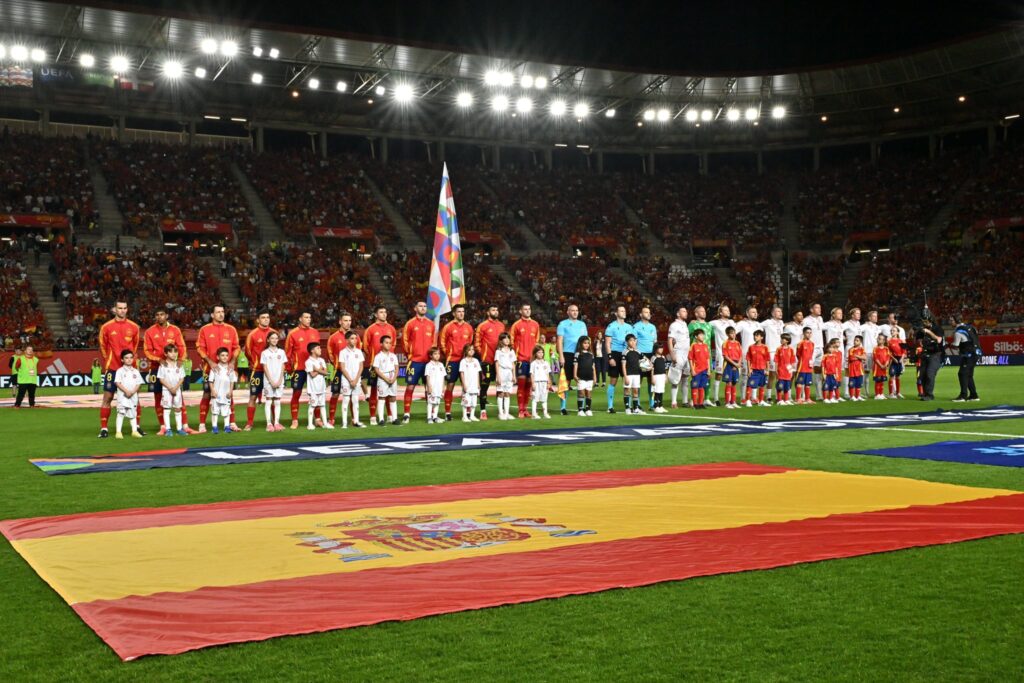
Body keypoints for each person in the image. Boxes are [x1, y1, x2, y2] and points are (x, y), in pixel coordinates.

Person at [98, 301, 141, 438]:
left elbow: (134, 347)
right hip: (113, 367)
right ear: (114, 309)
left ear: (127, 310)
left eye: (124, 308)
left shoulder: (134, 327)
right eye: (119, 308)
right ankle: (104, 428)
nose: (122, 310)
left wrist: (131, 364)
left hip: (129, 369)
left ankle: (136, 428)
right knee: (108, 397)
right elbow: (103, 346)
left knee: (135, 397)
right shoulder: (106, 327)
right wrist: (109, 360)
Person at [143, 308, 190, 435]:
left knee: (178, 396)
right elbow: (147, 350)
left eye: (162, 314)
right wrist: (158, 359)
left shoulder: (175, 330)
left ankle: (184, 426)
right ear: (155, 317)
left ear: (166, 315)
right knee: (158, 397)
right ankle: (163, 426)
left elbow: (181, 346)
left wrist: (181, 359)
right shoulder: (149, 332)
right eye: (157, 314)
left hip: (173, 366)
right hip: (156, 368)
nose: (159, 316)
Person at [196, 305, 240, 434]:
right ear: (212, 315)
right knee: (207, 394)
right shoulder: (205, 329)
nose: (221, 314)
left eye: (222, 312)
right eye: (218, 312)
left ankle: (231, 423)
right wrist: (210, 362)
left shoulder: (231, 329)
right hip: (209, 368)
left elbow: (236, 347)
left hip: (228, 369)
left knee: (229, 395)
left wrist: (232, 362)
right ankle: (202, 424)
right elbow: (199, 347)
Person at [402, 301, 436, 423]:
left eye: (425, 306)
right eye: (420, 306)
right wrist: (411, 355)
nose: (423, 308)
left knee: (429, 388)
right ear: (415, 308)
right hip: (415, 361)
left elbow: (433, 342)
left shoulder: (431, 324)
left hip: (428, 362)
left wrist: (432, 358)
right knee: (410, 386)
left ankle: (431, 414)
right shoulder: (410, 324)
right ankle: (406, 414)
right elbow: (405, 341)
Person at [284, 311, 319, 430]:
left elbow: (318, 350)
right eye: (306, 317)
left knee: (316, 393)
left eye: (310, 317)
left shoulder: (315, 332)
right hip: (299, 369)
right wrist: (289, 369)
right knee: (296, 393)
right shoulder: (292, 333)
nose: (308, 319)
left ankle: (317, 419)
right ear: (300, 319)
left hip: (314, 368)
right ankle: (294, 420)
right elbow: (288, 353)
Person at [364, 306, 398, 425]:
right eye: (381, 312)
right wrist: (374, 358)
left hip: (389, 365)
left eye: (385, 312)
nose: (384, 314)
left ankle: (390, 415)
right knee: (374, 390)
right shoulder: (370, 329)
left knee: (390, 391)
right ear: (376, 315)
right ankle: (373, 416)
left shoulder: (391, 328)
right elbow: (366, 347)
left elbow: (393, 344)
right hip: (376, 365)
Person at [440, 304, 474, 421]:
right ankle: (448, 412)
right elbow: (442, 342)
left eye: (463, 311)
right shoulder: (448, 327)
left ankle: (468, 412)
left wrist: (467, 356)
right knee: (450, 385)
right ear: (454, 313)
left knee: (467, 386)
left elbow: (470, 343)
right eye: (459, 311)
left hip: (465, 361)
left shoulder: (469, 327)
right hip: (452, 361)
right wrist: (449, 353)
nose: (461, 313)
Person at [244, 311, 277, 431]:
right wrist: (255, 363)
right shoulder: (252, 334)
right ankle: (249, 423)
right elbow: (247, 351)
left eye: (268, 317)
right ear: (258, 320)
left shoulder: (274, 333)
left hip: (272, 372)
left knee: (273, 397)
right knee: (253, 396)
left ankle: (274, 422)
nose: (266, 319)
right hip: (257, 371)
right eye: (263, 318)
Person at [327, 312, 359, 426]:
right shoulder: (333, 337)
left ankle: (354, 419)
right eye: (345, 320)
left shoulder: (356, 337)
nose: (348, 323)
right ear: (340, 322)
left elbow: (358, 353)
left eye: (350, 320)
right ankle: (331, 419)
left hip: (352, 372)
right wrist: (335, 367)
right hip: (338, 371)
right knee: (335, 394)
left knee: (352, 396)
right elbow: (330, 354)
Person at [474, 305, 505, 420]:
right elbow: (477, 343)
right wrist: (483, 355)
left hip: (500, 362)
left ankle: (501, 411)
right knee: (484, 386)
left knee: (500, 386)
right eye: (493, 310)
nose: (495, 311)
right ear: (488, 312)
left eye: (497, 309)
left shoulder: (501, 325)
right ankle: (483, 411)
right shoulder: (482, 326)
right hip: (487, 361)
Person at [556, 304, 588, 416]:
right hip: (567, 354)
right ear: (568, 312)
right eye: (572, 310)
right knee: (566, 381)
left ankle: (582, 408)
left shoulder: (582, 324)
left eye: (576, 310)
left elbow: (586, 341)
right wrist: (561, 356)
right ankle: (563, 408)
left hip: (580, 354)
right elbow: (559, 341)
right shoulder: (563, 324)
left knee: (583, 380)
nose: (575, 312)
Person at [510, 303, 541, 418]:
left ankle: (526, 409)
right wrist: (516, 356)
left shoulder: (535, 325)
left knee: (529, 385)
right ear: (520, 311)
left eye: (529, 309)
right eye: (525, 309)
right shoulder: (516, 325)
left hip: (532, 361)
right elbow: (511, 343)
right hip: (521, 360)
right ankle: (520, 409)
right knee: (521, 385)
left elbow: (537, 343)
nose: (527, 311)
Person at [604, 304, 635, 414]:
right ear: (616, 313)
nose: (624, 312)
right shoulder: (611, 326)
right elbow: (607, 343)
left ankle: (628, 406)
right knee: (613, 380)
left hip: (626, 354)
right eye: (621, 311)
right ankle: (610, 406)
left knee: (628, 380)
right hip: (615, 354)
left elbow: (634, 342)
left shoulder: (629, 327)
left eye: (624, 310)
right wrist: (610, 357)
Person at [260, 331, 288, 431]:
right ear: (268, 340)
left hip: (279, 380)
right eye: (272, 338)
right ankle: (269, 423)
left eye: (276, 338)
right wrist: (271, 381)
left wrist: (280, 380)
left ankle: (276, 422)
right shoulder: (265, 353)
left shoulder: (281, 352)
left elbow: (283, 366)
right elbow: (265, 367)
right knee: (268, 401)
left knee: (277, 401)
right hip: (268, 381)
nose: (274, 340)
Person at [157, 343, 187, 436]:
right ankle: (168, 429)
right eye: (171, 352)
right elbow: (161, 379)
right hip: (166, 390)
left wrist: (176, 387)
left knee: (178, 409)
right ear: (166, 354)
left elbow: (182, 378)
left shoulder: (179, 365)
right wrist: (170, 388)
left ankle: (179, 429)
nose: (174, 354)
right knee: (167, 409)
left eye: (175, 352)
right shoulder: (163, 365)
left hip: (177, 390)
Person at [915, 309, 945, 401]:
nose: (924, 322)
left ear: (931, 319)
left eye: (926, 321)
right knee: (922, 375)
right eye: (923, 321)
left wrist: (928, 332)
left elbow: (939, 340)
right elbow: (917, 341)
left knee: (930, 374)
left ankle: (929, 395)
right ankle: (925, 393)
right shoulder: (921, 330)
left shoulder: (937, 328)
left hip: (936, 354)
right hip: (925, 353)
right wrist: (917, 335)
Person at [950, 314, 981, 402]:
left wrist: (949, 344)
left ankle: (963, 396)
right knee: (969, 374)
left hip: (968, 354)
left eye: (951, 320)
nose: (950, 322)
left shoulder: (958, 331)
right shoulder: (971, 327)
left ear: (956, 321)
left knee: (962, 373)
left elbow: (955, 345)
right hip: (977, 353)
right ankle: (974, 395)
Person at [113, 349, 143, 439]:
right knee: (121, 413)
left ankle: (134, 431)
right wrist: (126, 391)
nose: (129, 359)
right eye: (126, 358)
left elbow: (139, 383)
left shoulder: (136, 371)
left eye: (131, 357)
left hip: (133, 396)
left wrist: (133, 392)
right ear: (122, 360)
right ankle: (118, 432)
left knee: (133, 413)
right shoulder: (120, 371)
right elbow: (117, 383)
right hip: (123, 396)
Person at [372, 335, 400, 426]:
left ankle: (394, 418)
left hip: (392, 378)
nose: (388, 345)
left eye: (390, 343)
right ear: (381, 344)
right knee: (382, 397)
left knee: (393, 397)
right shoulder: (378, 356)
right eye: (386, 342)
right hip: (383, 378)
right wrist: (385, 378)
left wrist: (394, 378)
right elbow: (376, 369)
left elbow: (397, 368)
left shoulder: (393, 356)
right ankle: (381, 419)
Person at [633, 306, 658, 408]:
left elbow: (655, 341)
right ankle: (637, 402)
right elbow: (634, 342)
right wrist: (638, 355)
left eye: (649, 312)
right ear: (641, 314)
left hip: (651, 354)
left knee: (651, 379)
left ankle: (651, 402)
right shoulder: (636, 326)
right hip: (641, 355)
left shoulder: (652, 327)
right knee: (639, 379)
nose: (648, 314)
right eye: (646, 312)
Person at [709, 305, 733, 406]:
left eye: (728, 309)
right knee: (718, 375)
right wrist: (694, 321)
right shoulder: (715, 323)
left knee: (731, 376)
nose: (728, 311)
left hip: (731, 353)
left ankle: (730, 399)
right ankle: (716, 398)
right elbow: (704, 325)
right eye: (725, 310)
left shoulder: (732, 322)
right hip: (720, 353)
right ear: (720, 313)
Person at [208, 347, 237, 433]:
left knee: (226, 411)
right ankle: (214, 427)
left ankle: (226, 427)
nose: (225, 357)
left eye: (226, 355)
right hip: (216, 393)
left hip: (226, 394)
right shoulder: (214, 368)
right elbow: (210, 381)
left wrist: (231, 391)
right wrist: (212, 391)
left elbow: (232, 381)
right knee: (215, 411)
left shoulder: (230, 369)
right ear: (218, 357)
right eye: (222, 355)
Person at [667, 306, 691, 408]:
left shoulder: (685, 324)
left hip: (686, 354)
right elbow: (669, 340)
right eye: (683, 311)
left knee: (685, 378)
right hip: (678, 353)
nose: (686, 313)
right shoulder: (674, 325)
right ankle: (673, 402)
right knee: (675, 379)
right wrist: (672, 354)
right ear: (678, 314)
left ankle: (685, 401)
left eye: (686, 311)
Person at [761, 306, 785, 401]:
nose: (780, 313)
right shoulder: (767, 322)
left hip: (781, 351)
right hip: (771, 351)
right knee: (772, 374)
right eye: (778, 311)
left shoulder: (781, 323)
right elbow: (757, 326)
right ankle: (769, 396)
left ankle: (778, 396)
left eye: (781, 311)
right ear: (772, 313)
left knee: (781, 373)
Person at [736, 306, 761, 392]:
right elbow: (732, 333)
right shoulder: (742, 324)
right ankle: (743, 397)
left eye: (756, 312)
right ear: (747, 314)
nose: (755, 313)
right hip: (746, 353)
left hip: (758, 353)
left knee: (756, 375)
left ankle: (753, 397)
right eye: (753, 312)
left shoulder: (759, 325)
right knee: (745, 375)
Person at [823, 307, 845, 401]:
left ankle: (837, 395)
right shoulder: (828, 324)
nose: (841, 314)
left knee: (838, 372)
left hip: (840, 350)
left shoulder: (842, 325)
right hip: (831, 351)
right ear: (833, 314)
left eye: (841, 313)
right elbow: (818, 327)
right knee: (829, 374)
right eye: (838, 313)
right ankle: (824, 395)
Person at [744, 329, 771, 407]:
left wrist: (767, 370)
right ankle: (748, 400)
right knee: (750, 385)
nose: (755, 337)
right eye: (754, 335)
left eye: (757, 335)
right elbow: (748, 359)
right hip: (754, 370)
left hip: (762, 370)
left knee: (762, 385)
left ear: (761, 337)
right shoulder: (751, 347)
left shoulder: (765, 347)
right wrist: (749, 369)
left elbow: (767, 359)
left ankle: (761, 401)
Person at [805, 303, 825, 400]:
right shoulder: (806, 320)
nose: (819, 309)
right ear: (811, 309)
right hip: (811, 348)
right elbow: (802, 332)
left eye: (819, 307)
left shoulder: (820, 319)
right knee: (807, 370)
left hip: (820, 347)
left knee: (818, 371)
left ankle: (819, 395)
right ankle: (803, 395)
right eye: (817, 307)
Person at [494, 332, 517, 421]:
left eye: (508, 338)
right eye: (505, 338)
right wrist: (498, 376)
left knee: (507, 393)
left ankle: (507, 413)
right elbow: (497, 363)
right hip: (501, 372)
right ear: (501, 340)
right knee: (501, 393)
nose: (507, 340)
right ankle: (501, 413)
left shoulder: (511, 351)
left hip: (509, 373)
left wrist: (514, 375)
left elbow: (513, 364)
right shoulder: (498, 351)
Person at [687, 329, 711, 410]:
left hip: (705, 370)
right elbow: (690, 358)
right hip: (697, 370)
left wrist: (709, 370)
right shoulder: (693, 345)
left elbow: (708, 358)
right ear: (696, 337)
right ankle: (695, 404)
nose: (702, 336)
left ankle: (700, 403)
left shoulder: (705, 346)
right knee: (695, 386)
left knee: (702, 387)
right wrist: (692, 370)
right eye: (700, 335)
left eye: (703, 334)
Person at [842, 308, 863, 399]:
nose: (859, 315)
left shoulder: (858, 324)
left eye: (859, 313)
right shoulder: (847, 323)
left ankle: (856, 392)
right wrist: (843, 337)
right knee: (848, 370)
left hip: (858, 349)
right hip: (850, 348)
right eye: (857, 313)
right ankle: (847, 392)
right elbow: (839, 329)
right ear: (852, 315)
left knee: (858, 370)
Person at [622, 334, 645, 415]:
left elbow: (644, 360)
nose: (633, 342)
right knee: (627, 390)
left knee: (635, 391)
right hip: (628, 374)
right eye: (631, 340)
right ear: (627, 342)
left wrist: (649, 365)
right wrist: (625, 376)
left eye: (634, 340)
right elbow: (623, 365)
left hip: (636, 374)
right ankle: (627, 408)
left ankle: (635, 408)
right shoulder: (625, 352)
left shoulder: (638, 351)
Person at [574, 335, 596, 416]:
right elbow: (575, 365)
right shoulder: (578, 354)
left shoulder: (591, 354)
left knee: (589, 394)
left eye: (588, 343)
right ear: (580, 344)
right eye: (585, 343)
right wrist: (575, 375)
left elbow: (593, 367)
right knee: (581, 393)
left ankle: (588, 409)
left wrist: (595, 377)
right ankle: (580, 410)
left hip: (589, 377)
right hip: (581, 377)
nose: (586, 345)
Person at [424, 347, 447, 424]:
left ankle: (435, 417)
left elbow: (443, 376)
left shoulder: (441, 365)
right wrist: (429, 387)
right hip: (432, 387)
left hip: (439, 388)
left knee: (437, 402)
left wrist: (443, 387)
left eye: (438, 354)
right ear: (431, 355)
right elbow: (427, 376)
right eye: (435, 354)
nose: (437, 355)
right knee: (430, 402)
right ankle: (429, 417)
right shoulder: (428, 365)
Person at [460, 343, 482, 422]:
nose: (471, 351)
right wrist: (464, 384)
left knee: (474, 401)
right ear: (466, 351)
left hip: (474, 384)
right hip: (467, 384)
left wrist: (478, 384)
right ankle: (464, 416)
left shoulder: (476, 361)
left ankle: (472, 415)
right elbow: (462, 373)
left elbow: (477, 373)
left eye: (473, 349)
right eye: (469, 350)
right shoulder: (463, 361)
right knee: (466, 401)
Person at [721, 326, 742, 409]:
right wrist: (734, 364)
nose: (733, 335)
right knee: (728, 383)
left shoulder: (738, 343)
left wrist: (739, 363)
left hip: (736, 364)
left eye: (734, 333)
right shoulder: (725, 343)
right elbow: (725, 356)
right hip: (729, 364)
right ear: (727, 334)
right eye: (731, 333)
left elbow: (740, 354)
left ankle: (733, 402)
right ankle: (727, 402)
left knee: (734, 383)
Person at [529, 345, 551, 419]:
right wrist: (533, 384)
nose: (541, 354)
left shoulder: (546, 363)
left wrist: (548, 383)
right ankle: (534, 414)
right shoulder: (533, 363)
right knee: (535, 399)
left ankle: (545, 413)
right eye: (539, 352)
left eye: (542, 352)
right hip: (536, 382)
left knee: (544, 399)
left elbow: (548, 374)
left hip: (544, 383)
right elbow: (532, 374)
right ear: (535, 353)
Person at [774, 333, 796, 405]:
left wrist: (791, 370)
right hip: (781, 370)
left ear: (787, 341)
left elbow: (792, 361)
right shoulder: (779, 349)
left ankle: (786, 399)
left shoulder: (791, 349)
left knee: (787, 386)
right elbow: (776, 360)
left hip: (788, 371)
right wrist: (776, 369)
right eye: (781, 339)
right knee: (780, 386)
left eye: (783, 339)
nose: (781, 340)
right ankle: (779, 400)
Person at [795, 327, 816, 404]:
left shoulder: (812, 343)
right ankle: (798, 398)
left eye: (810, 333)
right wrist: (802, 361)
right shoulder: (800, 343)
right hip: (802, 367)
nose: (809, 334)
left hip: (809, 367)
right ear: (803, 333)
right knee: (800, 382)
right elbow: (798, 355)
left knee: (808, 384)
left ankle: (807, 398)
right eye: (807, 332)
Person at [821, 339, 843, 403]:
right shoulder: (825, 356)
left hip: (833, 374)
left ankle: (831, 398)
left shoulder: (834, 356)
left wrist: (836, 374)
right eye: (829, 348)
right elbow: (823, 366)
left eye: (832, 348)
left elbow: (836, 366)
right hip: (827, 374)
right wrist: (823, 374)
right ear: (827, 349)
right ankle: (825, 398)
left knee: (832, 386)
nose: (831, 349)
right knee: (825, 386)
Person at [847, 335, 867, 401]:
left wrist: (857, 356)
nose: (855, 341)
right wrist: (860, 357)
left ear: (860, 342)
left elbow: (864, 357)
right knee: (852, 383)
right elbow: (851, 358)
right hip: (852, 369)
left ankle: (857, 396)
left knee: (859, 384)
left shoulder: (862, 349)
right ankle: (852, 396)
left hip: (860, 369)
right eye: (855, 340)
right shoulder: (851, 349)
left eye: (857, 340)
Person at [887, 333, 907, 398]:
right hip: (894, 359)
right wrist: (893, 358)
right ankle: (891, 393)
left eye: (894, 330)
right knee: (892, 376)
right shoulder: (889, 341)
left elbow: (904, 351)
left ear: (897, 332)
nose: (892, 332)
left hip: (900, 359)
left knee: (898, 377)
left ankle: (898, 393)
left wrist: (902, 358)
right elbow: (888, 352)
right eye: (891, 331)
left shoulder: (901, 341)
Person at [872, 334, 891, 400]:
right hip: (877, 368)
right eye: (878, 338)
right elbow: (875, 358)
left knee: (882, 381)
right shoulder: (875, 348)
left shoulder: (886, 349)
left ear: (884, 341)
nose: (879, 340)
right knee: (878, 381)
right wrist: (881, 365)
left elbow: (888, 357)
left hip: (884, 368)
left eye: (881, 339)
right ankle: (877, 395)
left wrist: (886, 364)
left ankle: (881, 393)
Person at [651, 342, 668, 413]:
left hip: (662, 376)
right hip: (656, 376)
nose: (661, 349)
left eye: (662, 348)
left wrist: (666, 376)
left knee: (661, 391)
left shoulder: (663, 357)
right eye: (659, 348)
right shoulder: (653, 358)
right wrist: (652, 377)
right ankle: (656, 406)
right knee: (657, 392)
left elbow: (665, 368)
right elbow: (652, 368)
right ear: (655, 349)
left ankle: (660, 405)